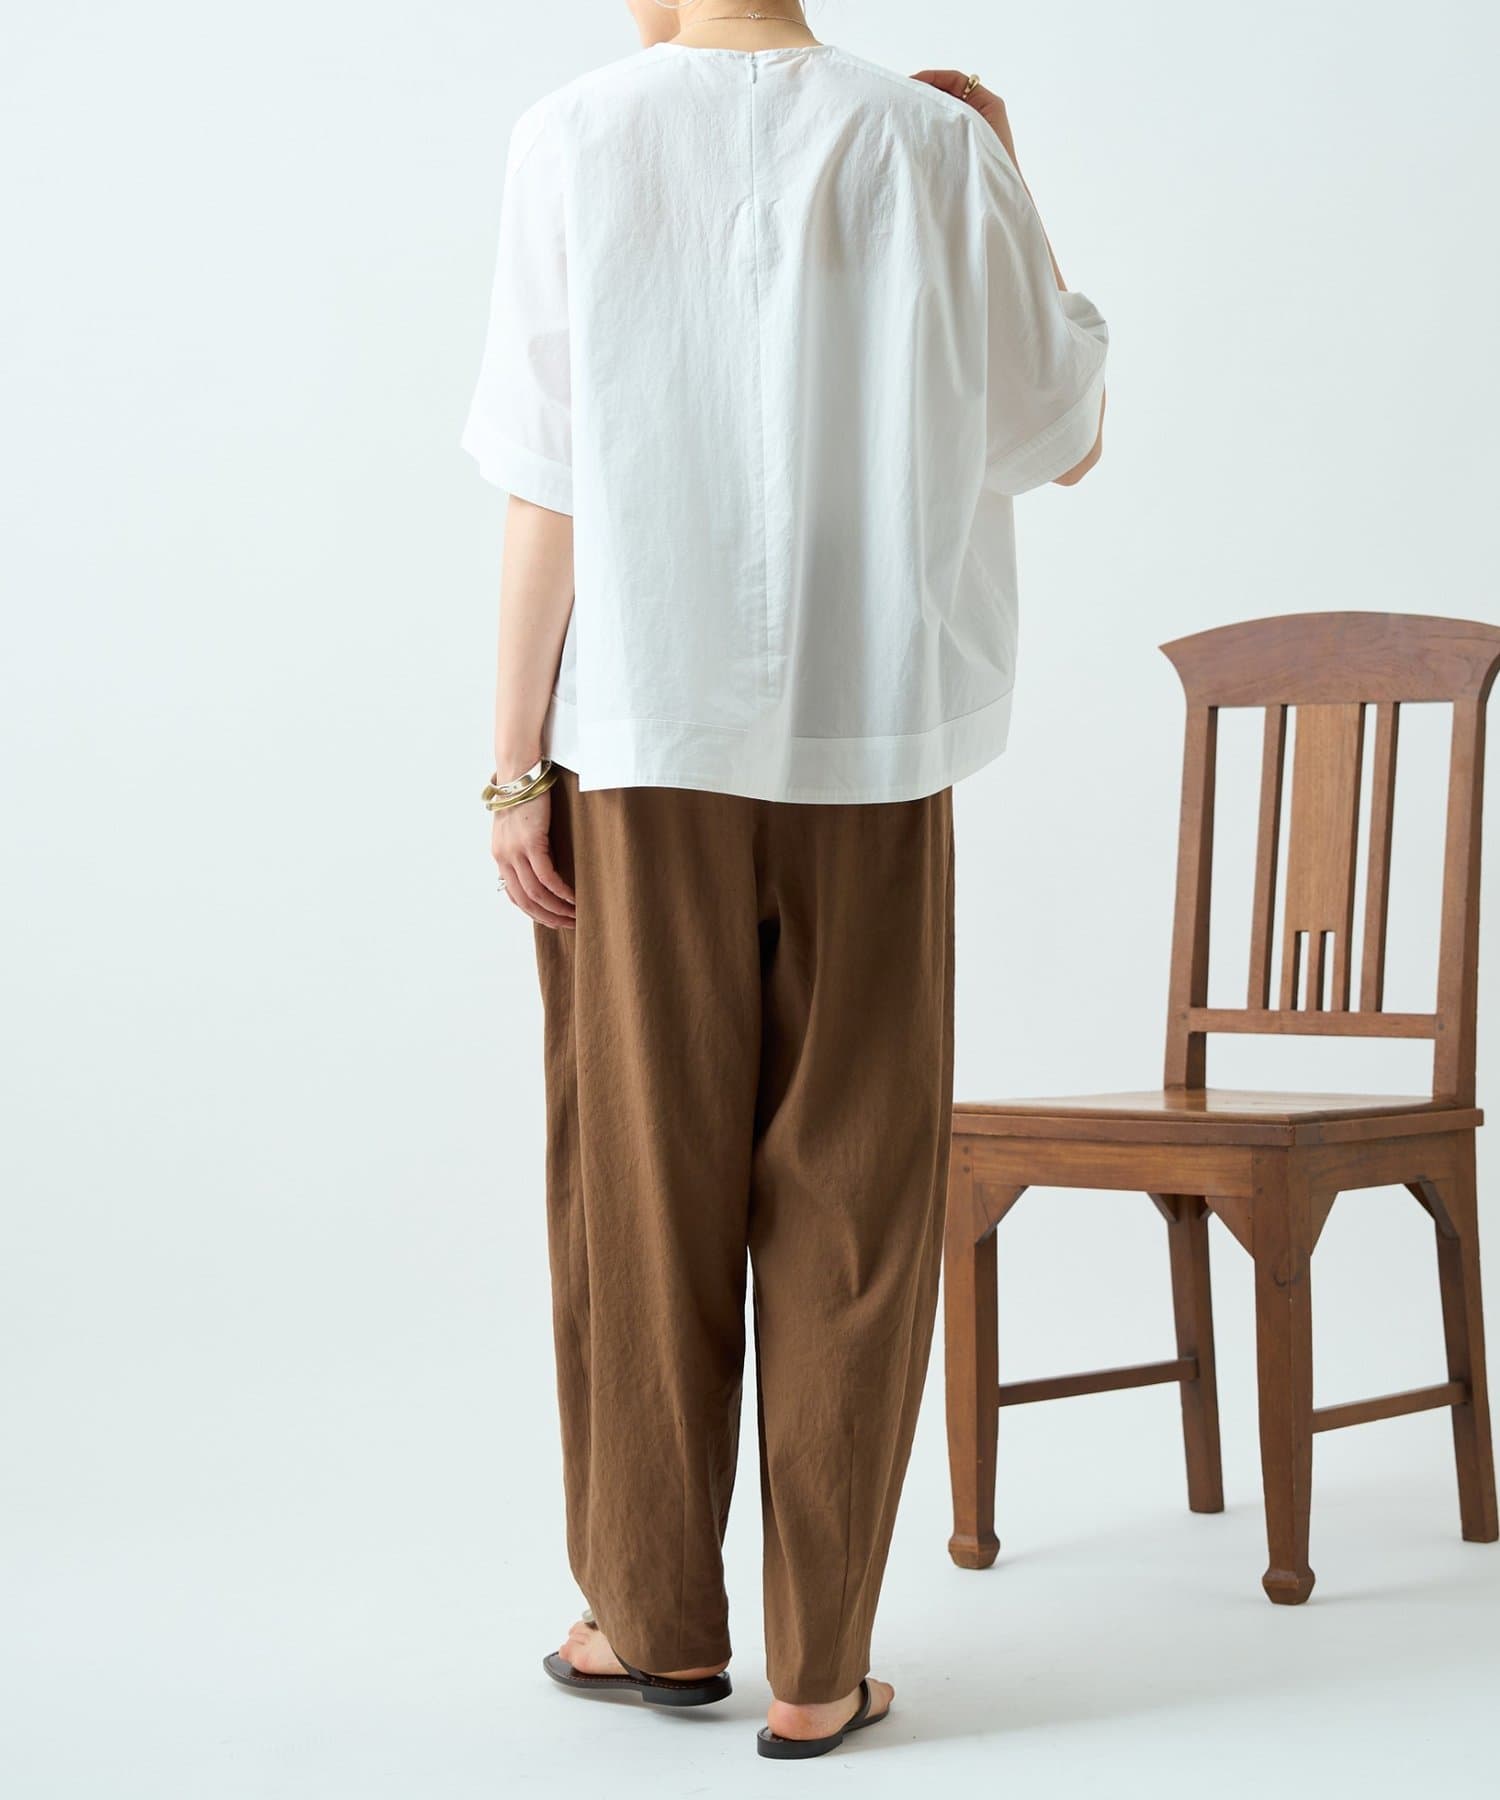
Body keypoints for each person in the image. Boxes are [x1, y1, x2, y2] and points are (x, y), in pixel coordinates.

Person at [463, 0, 1106, 1761]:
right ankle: (825, 1667)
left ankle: (652, 1624)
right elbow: (1065, 433)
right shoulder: (937, 139)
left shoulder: (573, 134)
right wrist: (1011, 182)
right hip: (871, 744)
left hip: (645, 744)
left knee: (639, 1181)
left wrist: (514, 764)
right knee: (856, 1190)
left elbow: (546, 484)